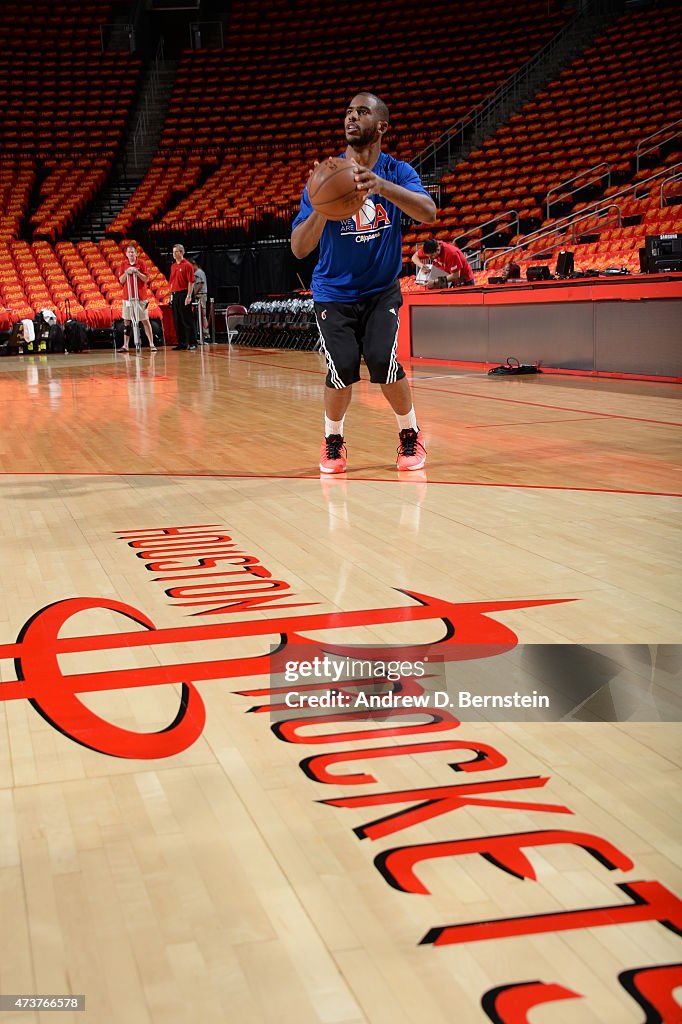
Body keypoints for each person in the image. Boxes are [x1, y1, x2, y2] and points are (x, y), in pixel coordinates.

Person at [291, 92, 436, 473]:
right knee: (339, 367)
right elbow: (299, 248)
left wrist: (380, 187)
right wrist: (323, 208)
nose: (351, 117)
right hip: (333, 292)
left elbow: (429, 212)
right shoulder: (326, 177)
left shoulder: (397, 172)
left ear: (382, 126)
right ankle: (333, 440)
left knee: (382, 359)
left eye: (362, 111)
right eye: (348, 112)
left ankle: (411, 434)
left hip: (380, 289)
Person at [118, 243, 157, 352]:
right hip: (127, 297)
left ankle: (151, 343)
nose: (131, 254)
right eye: (129, 252)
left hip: (140, 297)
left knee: (144, 320)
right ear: (126, 254)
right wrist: (127, 272)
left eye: (133, 252)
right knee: (127, 320)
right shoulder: (123, 264)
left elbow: (146, 279)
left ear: (136, 253)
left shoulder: (141, 263)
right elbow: (121, 280)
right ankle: (125, 345)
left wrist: (137, 272)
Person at [169, 243, 196, 351]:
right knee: (177, 320)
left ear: (181, 252)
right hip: (175, 295)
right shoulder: (173, 266)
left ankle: (192, 342)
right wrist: (170, 295)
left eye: (176, 252)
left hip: (184, 293)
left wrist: (189, 296)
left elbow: (191, 282)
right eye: (173, 252)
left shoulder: (187, 265)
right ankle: (182, 342)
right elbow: (171, 282)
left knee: (187, 320)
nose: (174, 254)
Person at [189, 257, 210, 338]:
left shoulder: (199, 272)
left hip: (201, 295)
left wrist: (193, 294)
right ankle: (201, 333)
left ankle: (205, 334)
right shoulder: (198, 272)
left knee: (203, 315)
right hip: (199, 295)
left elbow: (200, 285)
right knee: (199, 316)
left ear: (194, 265)